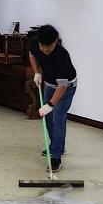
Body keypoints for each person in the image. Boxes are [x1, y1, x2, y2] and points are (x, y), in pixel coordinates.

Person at [28, 25, 77, 171]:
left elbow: (62, 86)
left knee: (58, 119)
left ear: (55, 41)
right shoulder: (35, 42)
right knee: (47, 118)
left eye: (48, 46)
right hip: (50, 84)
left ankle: (56, 156)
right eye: (42, 46)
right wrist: (37, 72)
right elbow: (32, 56)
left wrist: (50, 105)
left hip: (66, 87)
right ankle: (56, 145)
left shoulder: (62, 56)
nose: (44, 49)